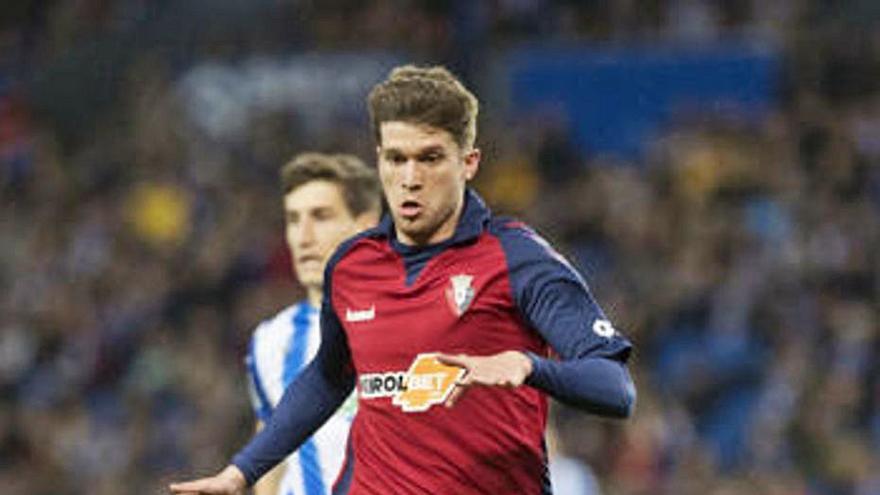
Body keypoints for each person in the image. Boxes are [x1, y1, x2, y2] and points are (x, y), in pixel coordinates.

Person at [170, 65, 636, 495]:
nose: (410, 178)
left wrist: (527, 366)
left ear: (468, 162)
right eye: (396, 159)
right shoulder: (352, 265)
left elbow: (614, 387)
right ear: (379, 161)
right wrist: (240, 472)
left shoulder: (517, 259)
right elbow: (328, 377)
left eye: (430, 158)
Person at [244, 153, 381, 495]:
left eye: (321, 217)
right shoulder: (271, 340)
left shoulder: (421, 318)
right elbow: (271, 461)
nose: (302, 237)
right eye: (293, 219)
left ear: (365, 225)